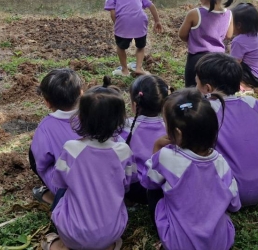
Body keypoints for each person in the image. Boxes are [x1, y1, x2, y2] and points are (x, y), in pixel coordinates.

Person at [141, 89, 240, 250]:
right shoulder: (221, 163)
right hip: (220, 243)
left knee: (154, 190)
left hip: (178, 244)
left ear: (178, 133)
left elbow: (147, 181)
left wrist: (157, 147)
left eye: (165, 123)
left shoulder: (166, 157)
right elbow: (234, 204)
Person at [42, 81, 135, 250]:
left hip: (72, 233)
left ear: (80, 118)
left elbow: (59, 182)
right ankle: (107, 245)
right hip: (112, 232)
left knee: (63, 197)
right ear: (120, 120)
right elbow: (127, 183)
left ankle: (61, 245)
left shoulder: (71, 148)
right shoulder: (124, 151)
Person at [195, 53, 258, 206]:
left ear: (207, 88)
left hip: (233, 192)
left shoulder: (204, 112)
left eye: (197, 84)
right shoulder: (255, 104)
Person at [29, 69, 82, 206]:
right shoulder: (95, 114)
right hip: (100, 181)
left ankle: (54, 197)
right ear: (81, 93)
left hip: (66, 188)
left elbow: (41, 162)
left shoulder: (45, 127)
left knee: (34, 154)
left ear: (47, 102)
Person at [179, 0, 235, 87]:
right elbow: (229, 35)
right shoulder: (229, 14)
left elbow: (182, 35)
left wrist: (194, 40)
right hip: (218, 61)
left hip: (196, 60)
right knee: (214, 90)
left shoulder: (194, 14)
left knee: (192, 91)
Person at [119, 75, 168, 205]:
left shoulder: (125, 127)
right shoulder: (170, 128)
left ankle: (128, 201)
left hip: (135, 189)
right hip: (161, 187)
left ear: (135, 104)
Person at [104, 0, 163, 76]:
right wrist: (157, 21)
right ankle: (139, 68)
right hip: (141, 21)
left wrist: (118, 25)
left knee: (120, 47)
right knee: (140, 46)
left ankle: (125, 70)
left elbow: (113, 13)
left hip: (123, 22)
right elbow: (151, 5)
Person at [229, 3, 258, 92]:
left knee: (229, 69)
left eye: (231, 23)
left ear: (238, 25)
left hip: (256, 76)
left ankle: (245, 87)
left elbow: (234, 62)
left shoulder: (238, 41)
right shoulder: (255, 34)